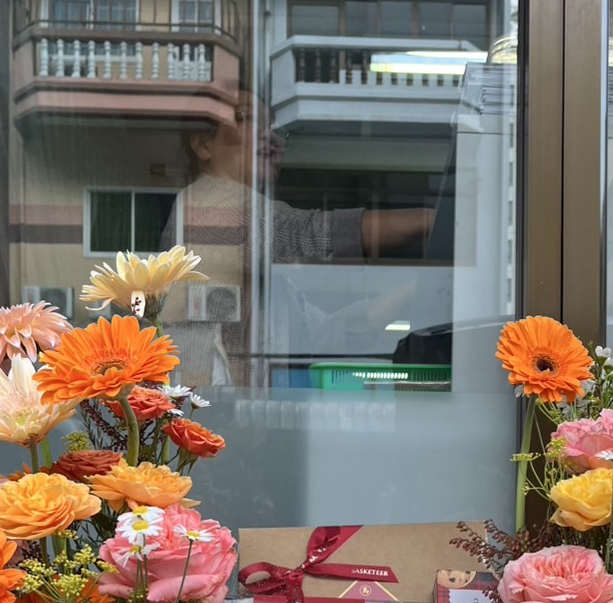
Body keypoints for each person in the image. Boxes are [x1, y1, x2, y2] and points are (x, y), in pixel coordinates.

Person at [161, 91, 432, 385]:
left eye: (276, 129)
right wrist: (434, 220)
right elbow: (309, 235)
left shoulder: (259, 254)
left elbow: (324, 334)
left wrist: (411, 293)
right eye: (248, 118)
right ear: (203, 145)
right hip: (202, 418)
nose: (272, 137)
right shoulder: (211, 203)